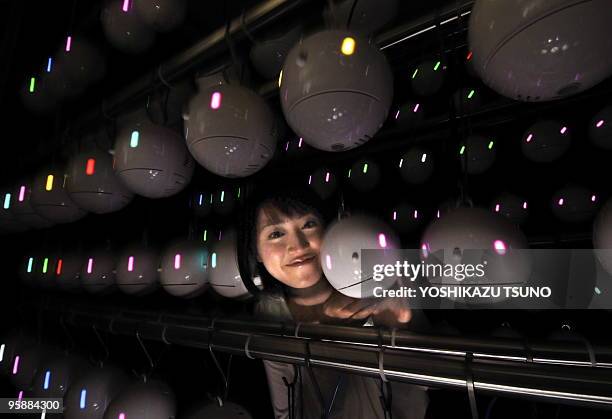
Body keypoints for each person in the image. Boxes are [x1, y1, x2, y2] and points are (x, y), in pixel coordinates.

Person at [237, 185, 429, 419]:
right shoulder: (269, 309)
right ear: (255, 250)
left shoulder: (380, 281)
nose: (298, 245)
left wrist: (399, 331)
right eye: (276, 234)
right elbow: (287, 409)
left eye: (308, 224)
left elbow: (435, 383)